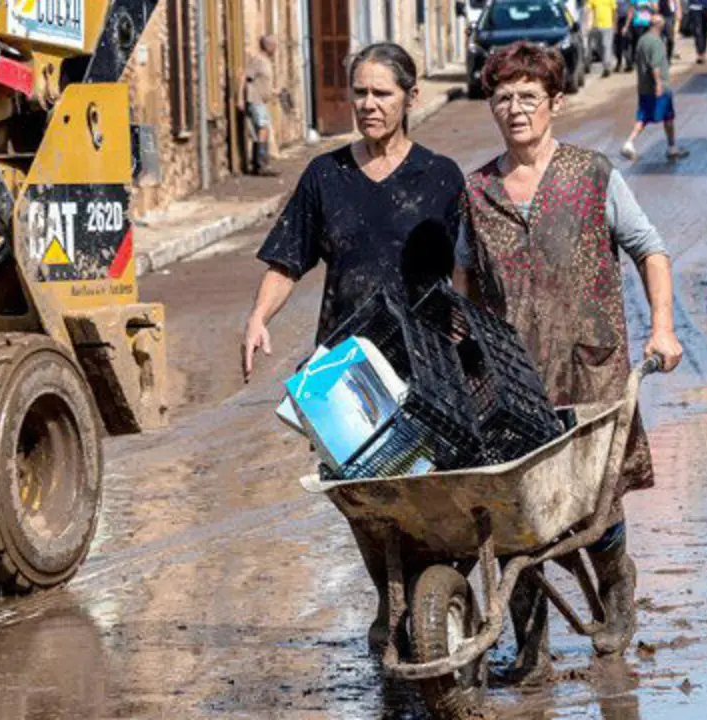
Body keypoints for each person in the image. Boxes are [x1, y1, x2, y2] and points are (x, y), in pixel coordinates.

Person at [455, 40, 683, 681]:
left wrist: (663, 328)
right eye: (503, 97)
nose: (516, 108)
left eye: (529, 96)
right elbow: (462, 280)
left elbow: (650, 249)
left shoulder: (593, 174)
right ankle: (531, 649)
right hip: (511, 381)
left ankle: (615, 586)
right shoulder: (477, 191)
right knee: (514, 513)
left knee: (597, 504)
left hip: (591, 369)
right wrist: (459, 353)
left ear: (554, 102)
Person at [242, 43, 466, 652]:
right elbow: (287, 260)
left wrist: (470, 329)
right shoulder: (326, 177)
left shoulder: (440, 177)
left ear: (411, 98)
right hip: (348, 372)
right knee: (363, 498)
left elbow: (465, 267)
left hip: (424, 365)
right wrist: (258, 317)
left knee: (429, 491)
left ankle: (426, 595)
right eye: (360, 92)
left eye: (382, 93)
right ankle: (391, 596)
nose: (368, 104)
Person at [620, 15, 689, 161]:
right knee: (668, 116)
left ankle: (629, 143)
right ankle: (672, 148)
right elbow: (655, 65)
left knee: (643, 117)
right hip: (659, 86)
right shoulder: (657, 42)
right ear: (659, 25)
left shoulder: (642, 40)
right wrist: (658, 84)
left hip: (643, 86)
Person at [239, 35, 282, 176]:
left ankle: (261, 163)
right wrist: (240, 99)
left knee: (264, 130)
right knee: (263, 129)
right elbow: (244, 77)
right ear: (268, 46)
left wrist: (274, 91)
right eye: (274, 46)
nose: (275, 49)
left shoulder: (267, 62)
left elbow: (262, 82)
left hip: (262, 101)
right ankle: (260, 164)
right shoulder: (257, 60)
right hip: (255, 100)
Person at [585, 0, 617, 77]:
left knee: (606, 46)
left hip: (608, 25)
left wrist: (614, 25)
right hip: (596, 27)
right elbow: (589, 10)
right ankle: (607, 63)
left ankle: (606, 67)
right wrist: (588, 25)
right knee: (599, 47)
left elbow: (614, 11)